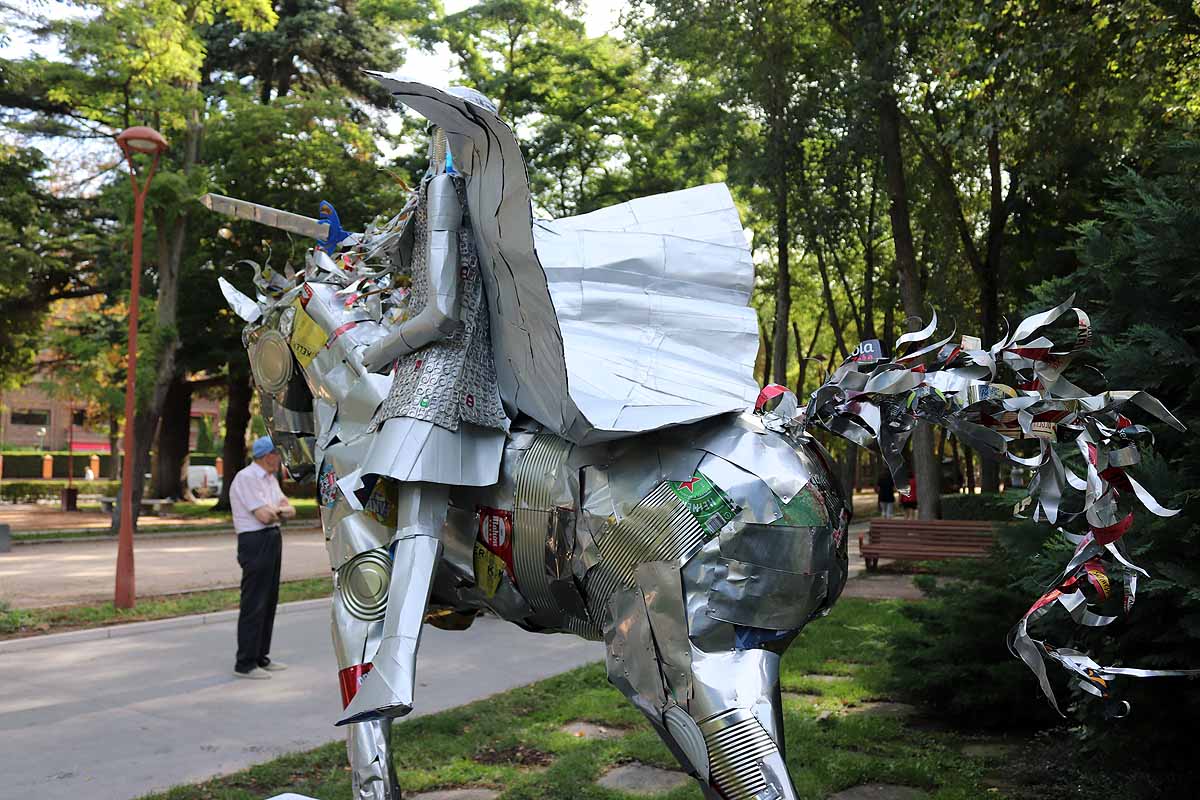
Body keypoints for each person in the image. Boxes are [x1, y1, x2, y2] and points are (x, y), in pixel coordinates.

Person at [229, 435, 296, 679]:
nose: (280, 458)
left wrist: (277, 512)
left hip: (271, 538)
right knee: (254, 601)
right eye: (278, 453)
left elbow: (290, 509)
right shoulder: (247, 478)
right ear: (268, 455)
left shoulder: (270, 479)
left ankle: (260, 656)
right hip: (254, 540)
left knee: (269, 600)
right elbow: (263, 516)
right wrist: (278, 512)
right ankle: (245, 662)